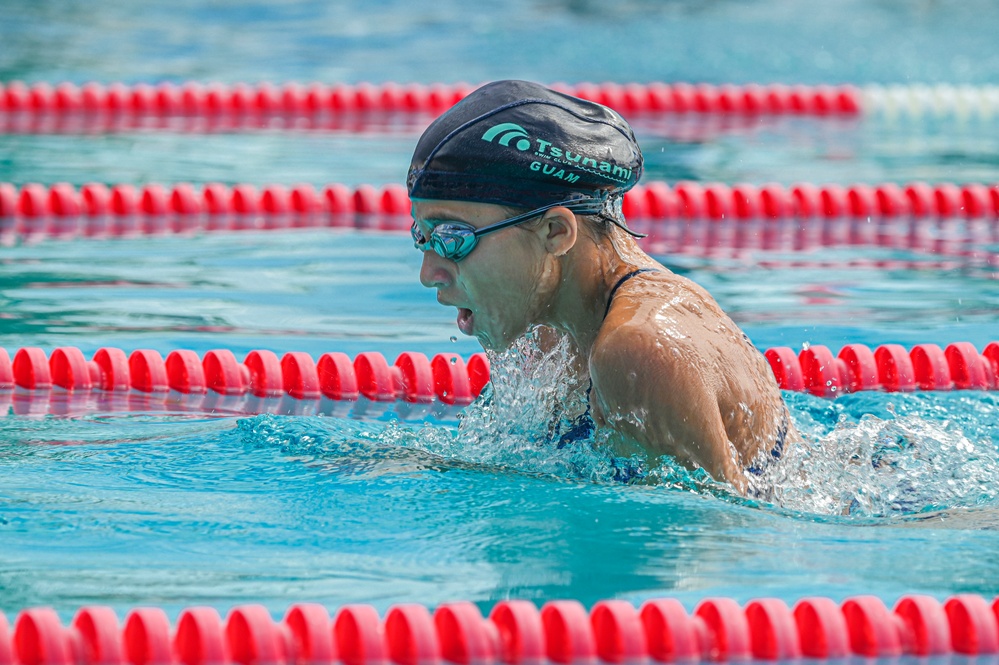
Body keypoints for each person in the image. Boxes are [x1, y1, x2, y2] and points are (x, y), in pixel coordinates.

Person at [407, 80, 795, 492]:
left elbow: (722, 532)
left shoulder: (640, 347)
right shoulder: (549, 324)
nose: (429, 271)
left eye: (454, 238)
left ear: (556, 232)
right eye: (422, 237)